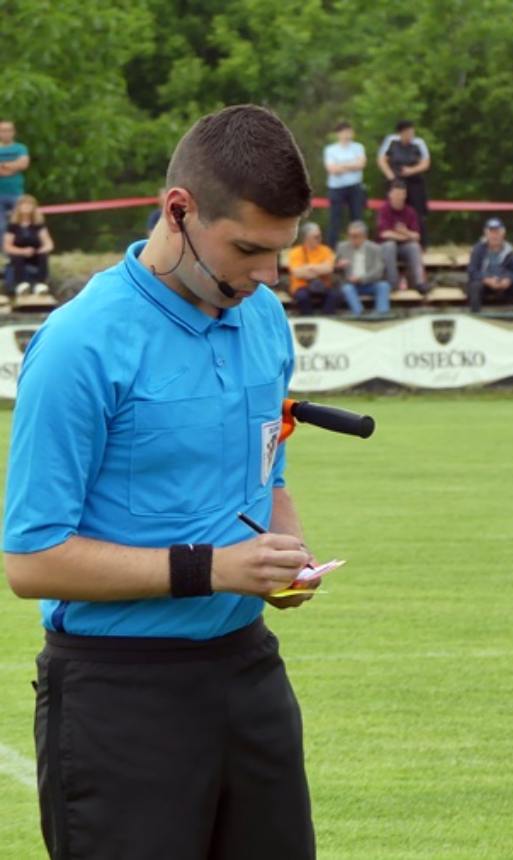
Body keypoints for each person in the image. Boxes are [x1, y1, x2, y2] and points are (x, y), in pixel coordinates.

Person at [3, 104, 321, 860]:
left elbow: (269, 467)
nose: (268, 276)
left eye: (279, 252)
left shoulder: (264, 318)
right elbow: (32, 560)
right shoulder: (80, 344)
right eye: (248, 249)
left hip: (250, 673)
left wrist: (287, 551)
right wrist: (213, 569)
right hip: (121, 695)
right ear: (178, 210)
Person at [377, 120, 431, 245]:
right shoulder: (391, 141)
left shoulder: (419, 142)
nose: (410, 135)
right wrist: (390, 176)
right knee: (393, 208)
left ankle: (420, 243)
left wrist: (412, 170)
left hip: (414, 182)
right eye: (407, 132)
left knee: (417, 212)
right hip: (396, 181)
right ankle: (391, 239)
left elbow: (426, 163)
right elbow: (381, 160)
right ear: (401, 133)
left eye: (412, 132)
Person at [466, 217, 513, 313]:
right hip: (485, 285)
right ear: (486, 234)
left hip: (504, 284)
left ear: (503, 234)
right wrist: (486, 280)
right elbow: (472, 271)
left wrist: (509, 280)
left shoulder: (509, 250)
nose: (494, 236)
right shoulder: (478, 249)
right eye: (491, 232)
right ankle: (476, 315)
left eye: (497, 232)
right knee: (475, 286)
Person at [333, 220, 391, 317]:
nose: (352, 239)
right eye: (350, 235)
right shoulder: (341, 247)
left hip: (369, 283)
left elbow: (378, 271)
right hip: (350, 285)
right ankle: (359, 313)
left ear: (364, 237)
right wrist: (338, 266)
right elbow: (333, 268)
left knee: (384, 286)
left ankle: (382, 313)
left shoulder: (375, 248)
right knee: (346, 288)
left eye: (355, 236)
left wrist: (361, 278)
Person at [323, 120, 367, 248]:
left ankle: (359, 247)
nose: (347, 135)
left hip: (355, 186)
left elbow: (361, 165)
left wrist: (341, 166)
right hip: (336, 187)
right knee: (335, 220)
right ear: (338, 134)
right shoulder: (330, 149)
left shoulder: (358, 147)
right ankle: (332, 248)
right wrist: (352, 165)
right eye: (344, 132)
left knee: (357, 218)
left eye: (349, 132)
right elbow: (332, 169)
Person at [377, 181, 426, 293]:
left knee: (414, 247)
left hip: (404, 247)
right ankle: (392, 283)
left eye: (401, 194)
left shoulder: (410, 211)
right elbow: (384, 234)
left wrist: (405, 232)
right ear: (390, 194)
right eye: (396, 194)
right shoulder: (384, 210)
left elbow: (417, 236)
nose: (398, 197)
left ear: (405, 195)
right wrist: (406, 236)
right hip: (386, 247)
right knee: (390, 245)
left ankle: (420, 283)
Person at [4, 194, 54, 297]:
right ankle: (21, 284)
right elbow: (7, 247)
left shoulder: (38, 226)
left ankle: (41, 284)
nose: (26, 207)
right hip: (18, 255)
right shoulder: (13, 227)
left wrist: (41, 250)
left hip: (35, 254)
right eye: (24, 205)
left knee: (43, 256)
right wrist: (22, 251)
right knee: (17, 257)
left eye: (29, 205)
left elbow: (49, 244)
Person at [287, 221, 341, 315]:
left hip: (323, 285)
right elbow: (297, 273)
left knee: (334, 295)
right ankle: (308, 318)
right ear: (306, 238)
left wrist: (308, 267)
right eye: (316, 236)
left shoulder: (326, 250)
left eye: (320, 236)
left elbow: (328, 269)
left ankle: (327, 319)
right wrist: (320, 269)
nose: (320, 238)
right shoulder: (295, 252)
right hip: (301, 286)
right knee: (302, 297)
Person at [0, 119, 31, 223]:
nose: (6, 133)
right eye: (3, 130)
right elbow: (18, 165)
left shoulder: (21, 148)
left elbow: (24, 164)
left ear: (13, 132)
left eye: (9, 130)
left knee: (19, 225)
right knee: (1, 227)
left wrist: (3, 165)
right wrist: (14, 167)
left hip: (16, 193)